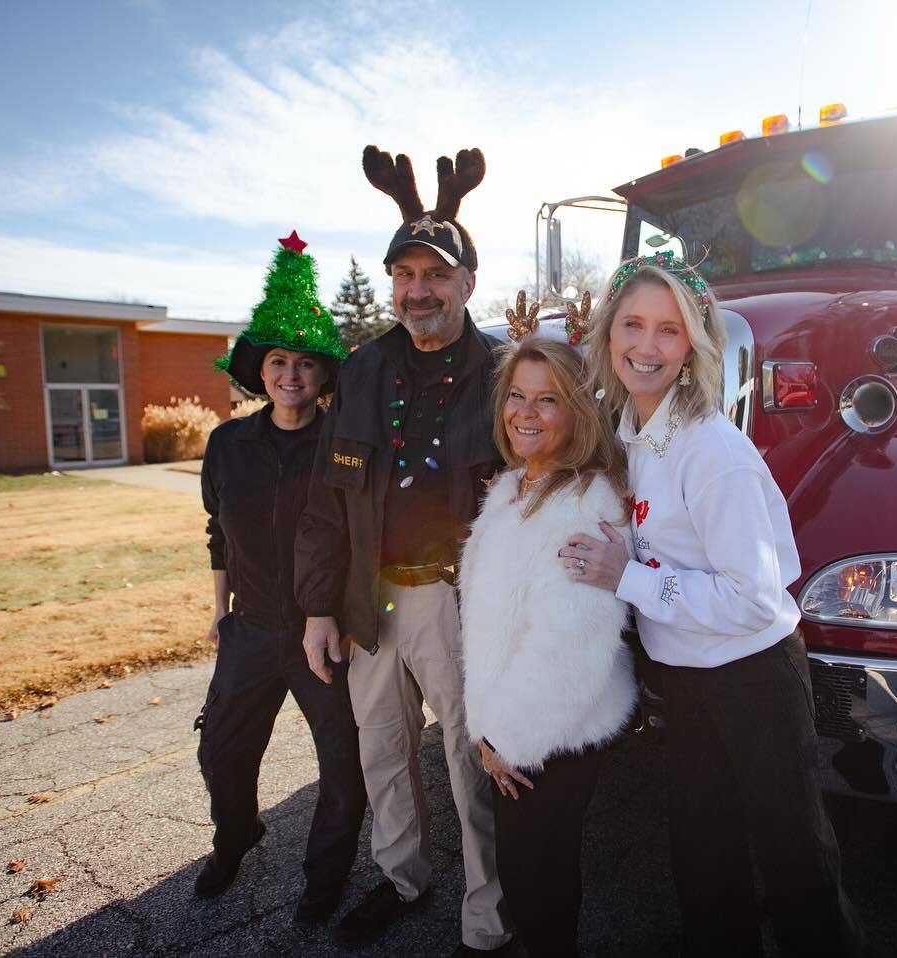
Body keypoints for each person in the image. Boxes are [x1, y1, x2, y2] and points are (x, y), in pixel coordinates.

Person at [559, 251, 866, 957]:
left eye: (668, 330)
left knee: (794, 859)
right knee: (704, 854)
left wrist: (626, 577)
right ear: (608, 333)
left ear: (693, 345)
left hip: (753, 675)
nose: (646, 345)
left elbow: (752, 599)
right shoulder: (633, 435)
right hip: (687, 677)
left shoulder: (710, 451)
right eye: (633, 324)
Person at [295, 146, 514, 956]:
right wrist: (319, 606)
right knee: (383, 753)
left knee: (471, 763)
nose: (418, 290)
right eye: (405, 275)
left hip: (458, 604)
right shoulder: (362, 370)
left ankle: (489, 918)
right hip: (368, 600)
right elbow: (326, 497)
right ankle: (402, 880)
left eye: (436, 275)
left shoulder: (504, 373)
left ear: (467, 283)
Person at [193, 231, 367, 922]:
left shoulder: (344, 447)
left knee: (343, 764)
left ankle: (326, 875)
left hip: (325, 634)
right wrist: (218, 610)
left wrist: (350, 617)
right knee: (221, 750)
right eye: (278, 362)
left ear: (323, 375)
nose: (291, 374)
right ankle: (235, 836)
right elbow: (218, 532)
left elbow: (361, 538)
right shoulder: (227, 445)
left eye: (304, 363)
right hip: (252, 628)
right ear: (260, 372)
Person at [460, 327, 635, 958]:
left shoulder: (584, 505)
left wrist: (506, 737)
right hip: (509, 725)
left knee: (539, 878)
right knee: (526, 872)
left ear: (578, 411)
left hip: (548, 730)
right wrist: (488, 725)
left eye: (548, 399)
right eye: (517, 395)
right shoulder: (514, 487)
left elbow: (569, 648)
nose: (525, 413)